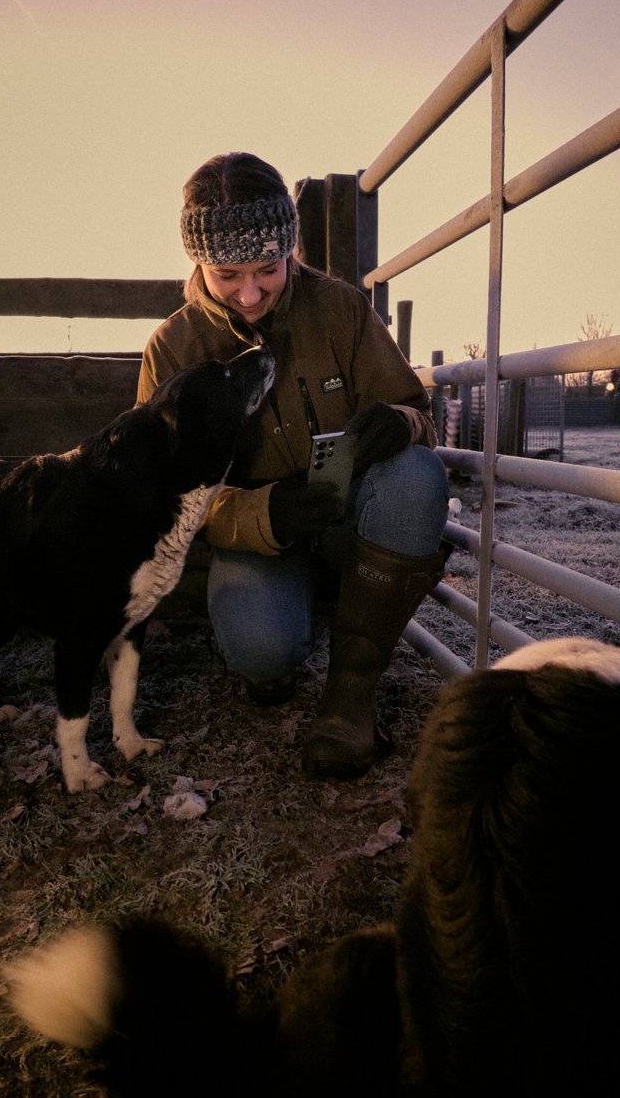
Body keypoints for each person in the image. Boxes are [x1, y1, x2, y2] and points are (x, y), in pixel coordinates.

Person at [136, 152, 449, 779]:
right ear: (197, 261)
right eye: (227, 274)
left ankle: (351, 701)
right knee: (262, 653)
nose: (249, 293)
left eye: (267, 269)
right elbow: (159, 494)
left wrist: (399, 421)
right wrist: (261, 514)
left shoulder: (341, 309)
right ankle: (274, 655)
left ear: (289, 249)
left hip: (348, 512)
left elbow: (417, 412)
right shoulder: (172, 347)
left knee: (417, 475)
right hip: (257, 536)